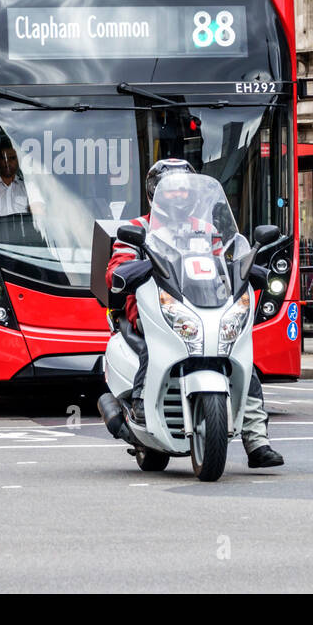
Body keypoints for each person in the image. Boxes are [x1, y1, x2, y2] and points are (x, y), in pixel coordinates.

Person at [105, 158, 284, 469]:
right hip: (154, 307)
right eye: (170, 191)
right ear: (154, 193)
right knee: (151, 351)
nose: (178, 197)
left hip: (201, 305)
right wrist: (133, 268)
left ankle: (257, 439)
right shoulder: (138, 229)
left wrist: (246, 267)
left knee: (242, 358)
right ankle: (140, 410)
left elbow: (228, 257)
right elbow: (115, 270)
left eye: (183, 191)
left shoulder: (208, 229)